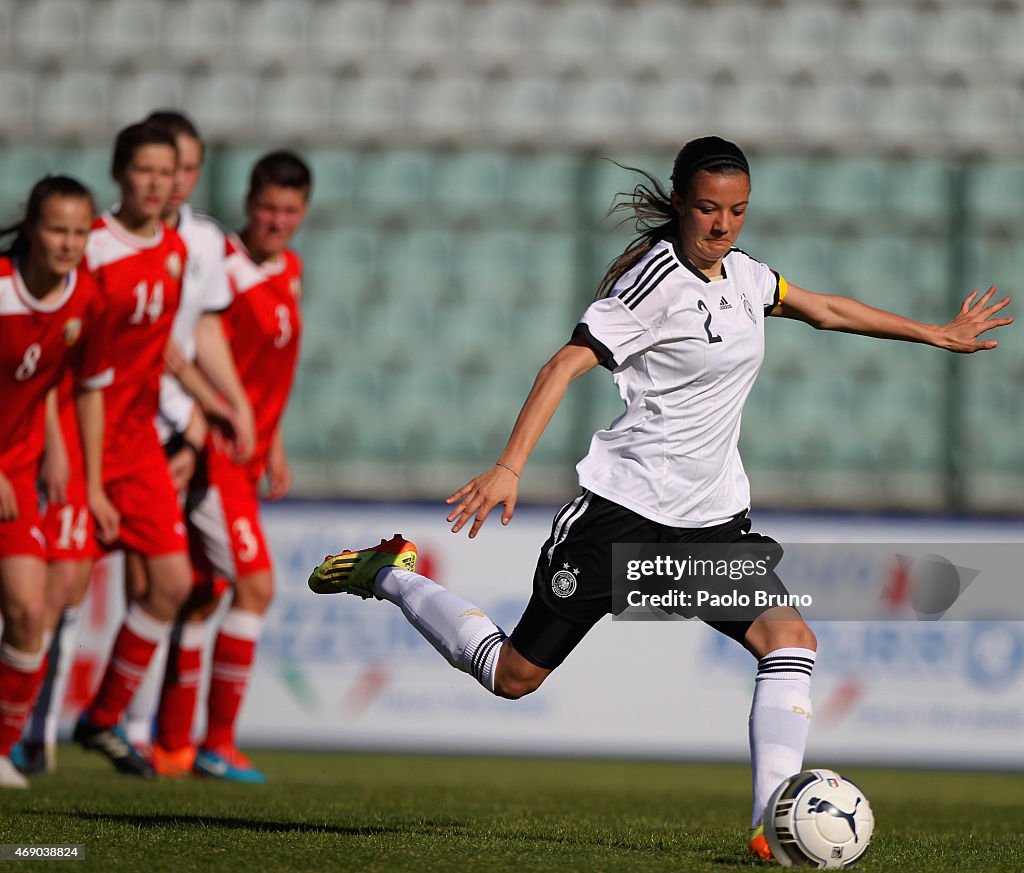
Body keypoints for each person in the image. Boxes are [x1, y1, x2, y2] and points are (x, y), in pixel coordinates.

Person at [306, 137, 1012, 858]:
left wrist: (937, 333)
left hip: (710, 526)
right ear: (679, 202)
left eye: (737, 210)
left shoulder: (745, 277)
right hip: (620, 519)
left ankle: (771, 824)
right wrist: (509, 465)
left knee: (790, 640)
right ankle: (388, 573)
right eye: (708, 208)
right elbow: (563, 364)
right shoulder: (650, 284)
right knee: (513, 675)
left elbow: (825, 308)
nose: (723, 226)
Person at [152, 151, 310, 782]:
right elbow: (191, 351)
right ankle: (215, 743)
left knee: (205, 592)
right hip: (216, 455)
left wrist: (273, 442)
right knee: (254, 587)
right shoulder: (222, 269)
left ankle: (170, 745)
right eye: (267, 207)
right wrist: (196, 433)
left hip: (249, 454)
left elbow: (272, 367)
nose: (276, 221)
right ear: (249, 204)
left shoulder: (291, 268)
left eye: (289, 211)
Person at [118, 109, 255, 755]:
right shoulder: (106, 241)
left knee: (167, 585)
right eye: (161, 167)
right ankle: (52, 728)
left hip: (172, 426)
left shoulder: (201, 242)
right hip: (115, 419)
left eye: (187, 168)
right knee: (57, 587)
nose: (173, 180)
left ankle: (141, 730)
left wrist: (219, 409)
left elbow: (200, 333)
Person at [71, 120, 194, 778]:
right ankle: (19, 735)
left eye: (165, 171)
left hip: (139, 443)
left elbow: (158, 354)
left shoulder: (174, 249)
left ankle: (103, 715)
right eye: (143, 170)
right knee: (52, 593)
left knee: (171, 584)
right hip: (78, 438)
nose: (156, 183)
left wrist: (199, 413)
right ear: (120, 172)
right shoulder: (87, 245)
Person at [0, 175, 117, 788]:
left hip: (17, 467)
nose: (69, 243)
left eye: (79, 231)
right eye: (56, 230)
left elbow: (87, 390)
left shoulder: (86, 299)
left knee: (28, 611)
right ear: (30, 229)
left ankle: (1, 751)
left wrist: (91, 483)